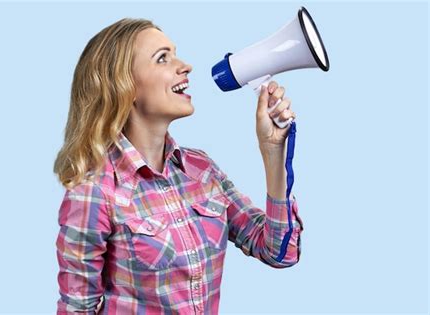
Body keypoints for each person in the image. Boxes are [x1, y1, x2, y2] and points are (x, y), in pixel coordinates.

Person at [53, 18, 304, 315]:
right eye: (163, 58)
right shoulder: (94, 192)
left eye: (175, 53)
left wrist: (273, 153)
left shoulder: (201, 170)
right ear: (125, 86)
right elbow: (77, 309)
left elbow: (280, 252)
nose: (185, 65)